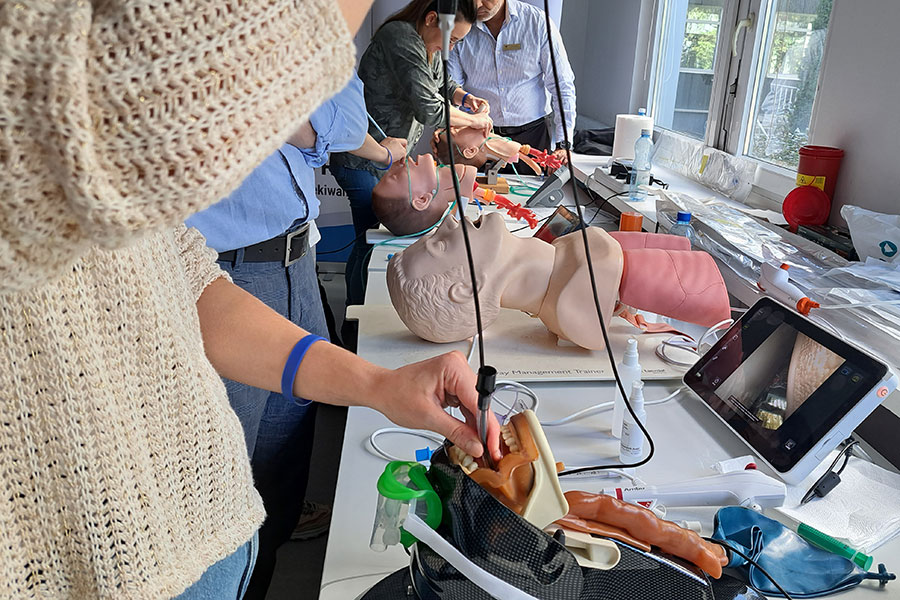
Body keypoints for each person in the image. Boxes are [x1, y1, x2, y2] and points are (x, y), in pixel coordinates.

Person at [0, 1, 500, 598]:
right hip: (124, 566)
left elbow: (187, 283)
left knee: (282, 477)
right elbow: (229, 84)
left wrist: (378, 386)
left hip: (213, 539)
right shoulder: (47, 88)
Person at [185, 73, 405, 599]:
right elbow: (334, 123)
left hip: (296, 262)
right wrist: (307, 123)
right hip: (220, 271)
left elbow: (344, 118)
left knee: (285, 470)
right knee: (221, 486)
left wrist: (308, 126)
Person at [330, 0, 492, 323]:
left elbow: (441, 83)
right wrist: (473, 123)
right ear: (433, 19)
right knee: (369, 242)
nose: (453, 47)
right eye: (454, 40)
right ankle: (357, 319)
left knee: (374, 241)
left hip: (388, 157)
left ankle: (363, 309)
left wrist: (463, 98)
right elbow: (430, 109)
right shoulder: (400, 37)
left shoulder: (427, 44)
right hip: (363, 160)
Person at [386, 212, 730, 349]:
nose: (448, 222)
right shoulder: (576, 304)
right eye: (441, 244)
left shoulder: (572, 261)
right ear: (468, 288)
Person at [448, 0, 577, 164]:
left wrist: (563, 144)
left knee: (533, 189)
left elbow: (562, 86)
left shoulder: (537, 23)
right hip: (479, 138)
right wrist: (448, 131)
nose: (477, 5)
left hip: (533, 137)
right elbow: (451, 89)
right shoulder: (460, 27)